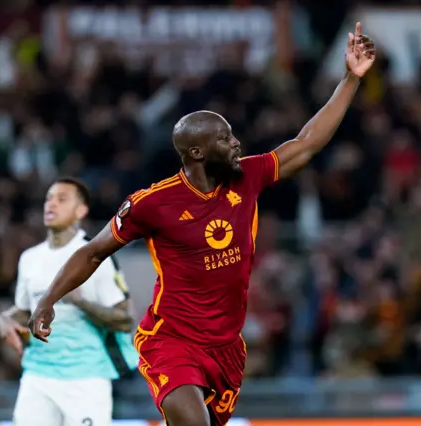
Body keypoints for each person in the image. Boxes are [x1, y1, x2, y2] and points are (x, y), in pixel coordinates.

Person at [29, 23, 376, 426]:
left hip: (227, 347)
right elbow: (92, 252)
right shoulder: (153, 204)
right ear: (197, 151)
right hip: (170, 341)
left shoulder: (247, 176)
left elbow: (306, 142)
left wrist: (350, 79)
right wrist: (48, 299)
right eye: (225, 139)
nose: (236, 144)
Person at [0, 177, 138, 426]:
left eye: (62, 199)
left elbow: (125, 320)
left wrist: (80, 301)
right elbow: (24, 311)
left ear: (81, 211)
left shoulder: (96, 256)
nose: (51, 204)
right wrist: (4, 319)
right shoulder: (29, 258)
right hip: (37, 376)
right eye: (49, 198)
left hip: (86, 378)